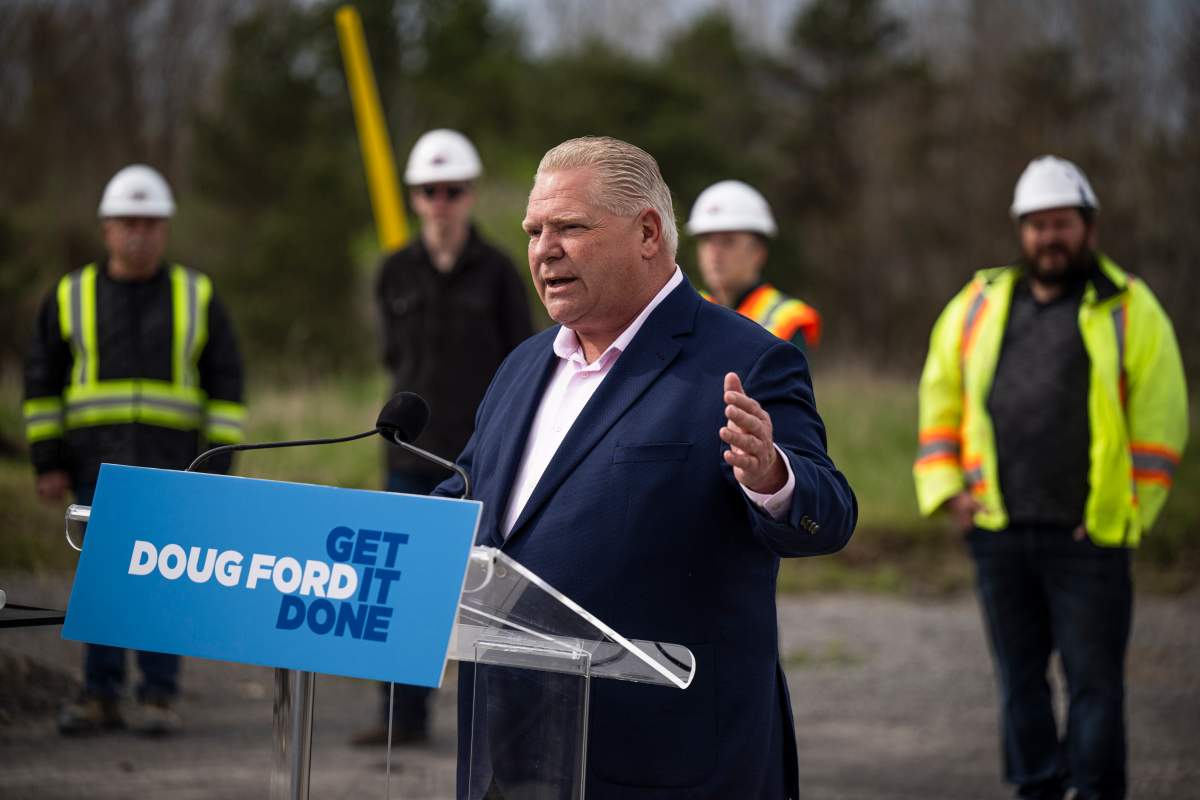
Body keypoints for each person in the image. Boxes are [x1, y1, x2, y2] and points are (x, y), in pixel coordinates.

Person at [434, 136, 857, 798]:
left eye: (570, 227)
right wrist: (392, 539)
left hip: (670, 763)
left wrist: (771, 475)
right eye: (534, 230)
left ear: (648, 233)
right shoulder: (522, 367)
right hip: (507, 756)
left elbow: (828, 513)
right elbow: (469, 502)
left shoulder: (746, 359)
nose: (544, 249)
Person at [914, 155, 1188, 800]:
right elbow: (940, 397)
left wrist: (1131, 511)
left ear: (1088, 227)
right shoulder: (978, 303)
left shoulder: (1129, 307)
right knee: (1019, 678)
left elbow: (1162, 415)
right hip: (999, 530)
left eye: (1061, 223)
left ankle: (1094, 790)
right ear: (1021, 232)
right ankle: (1037, 787)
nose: (1049, 237)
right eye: (1036, 225)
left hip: (1088, 537)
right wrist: (948, 489)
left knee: (1094, 682)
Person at [22, 164, 246, 736]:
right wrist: (47, 462)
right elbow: (42, 380)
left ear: (165, 229)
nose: (138, 234)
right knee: (101, 583)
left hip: (174, 468)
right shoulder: (71, 295)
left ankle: (158, 696)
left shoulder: (196, 294)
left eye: (149, 224)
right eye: (128, 223)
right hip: (94, 467)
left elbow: (225, 383)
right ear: (106, 228)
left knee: (163, 581)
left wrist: (215, 466)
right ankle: (99, 694)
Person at [356, 128, 533, 746]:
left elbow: (528, 360)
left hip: (479, 458)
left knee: (488, 591)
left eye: (453, 190)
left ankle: (492, 727)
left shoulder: (502, 274)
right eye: (430, 191)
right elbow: (390, 354)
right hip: (407, 455)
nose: (441, 201)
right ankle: (401, 721)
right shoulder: (394, 271)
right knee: (397, 587)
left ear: (470, 195)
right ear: (414, 197)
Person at [687, 180, 821, 352]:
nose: (714, 253)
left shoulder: (787, 318)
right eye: (706, 241)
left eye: (728, 241)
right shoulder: (688, 312)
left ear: (758, 252)